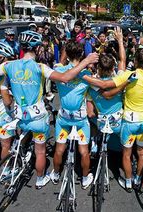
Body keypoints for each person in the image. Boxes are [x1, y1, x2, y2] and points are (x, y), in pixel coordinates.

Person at [0, 30, 99, 189]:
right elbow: (65, 77)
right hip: (38, 118)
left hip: (20, 116)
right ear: (37, 48)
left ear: (21, 46)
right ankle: (40, 179)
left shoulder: (8, 65)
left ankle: (10, 167)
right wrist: (86, 61)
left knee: (16, 142)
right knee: (41, 151)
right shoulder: (40, 67)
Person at [81, 16, 143, 192]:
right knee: (140, 152)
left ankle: (125, 179)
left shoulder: (123, 77)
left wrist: (83, 76)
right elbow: (123, 61)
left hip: (112, 123)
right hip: (138, 121)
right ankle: (137, 177)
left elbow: (103, 89)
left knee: (122, 149)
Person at [49, 41, 94, 189]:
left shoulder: (59, 69)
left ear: (67, 55)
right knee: (84, 151)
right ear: (82, 55)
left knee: (60, 150)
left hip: (64, 119)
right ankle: (85, 178)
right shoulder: (86, 74)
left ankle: (55, 174)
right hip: (80, 120)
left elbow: (63, 70)